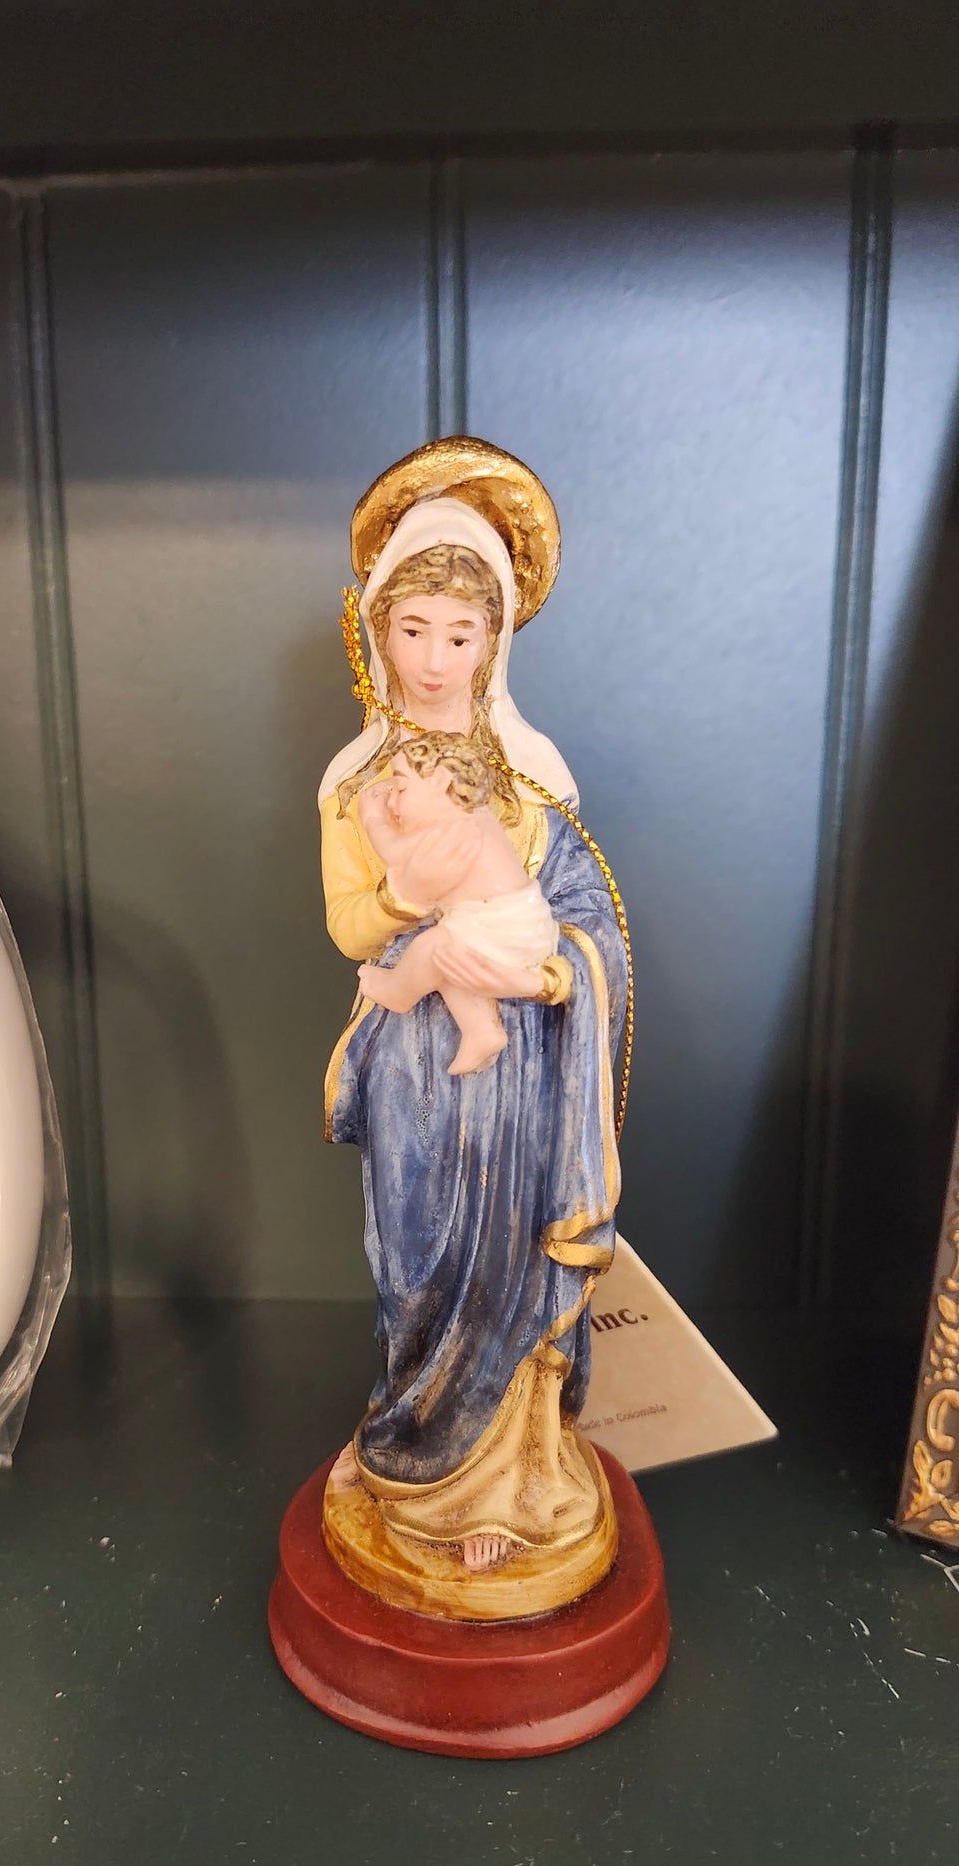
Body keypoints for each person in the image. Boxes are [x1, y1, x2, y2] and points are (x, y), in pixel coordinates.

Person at [318, 440, 627, 1603]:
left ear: (492, 642)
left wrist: (551, 979)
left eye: (460, 634)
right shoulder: (353, 779)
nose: (434, 658)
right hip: (418, 1059)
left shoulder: (533, 772)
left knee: (510, 1262)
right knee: (416, 1263)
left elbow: (587, 921)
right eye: (412, 629)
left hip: (524, 1063)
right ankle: (409, 1452)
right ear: (375, 629)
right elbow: (349, 925)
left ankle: (505, 1485)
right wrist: (417, 896)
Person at [355, 733, 559, 1076]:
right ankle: (481, 1030)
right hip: (521, 925)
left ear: (439, 780)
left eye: (401, 789)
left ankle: (396, 991)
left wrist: (373, 818)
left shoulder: (451, 829)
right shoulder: (476, 817)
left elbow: (394, 852)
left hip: (502, 928)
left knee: (431, 948)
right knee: (452, 962)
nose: (392, 801)